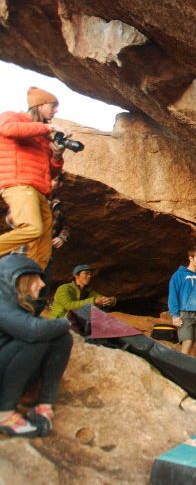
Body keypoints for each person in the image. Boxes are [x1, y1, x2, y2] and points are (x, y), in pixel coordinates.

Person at [0, 253, 73, 437]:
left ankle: (44, 405)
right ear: (20, 280)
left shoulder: (15, 302)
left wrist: (60, 329)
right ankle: (4, 414)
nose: (42, 284)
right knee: (34, 342)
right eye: (36, 278)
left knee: (63, 339)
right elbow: (33, 331)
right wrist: (65, 323)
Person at [0, 87, 66, 270]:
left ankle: (31, 291)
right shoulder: (12, 117)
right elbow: (7, 129)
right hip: (19, 184)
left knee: (43, 249)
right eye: (53, 106)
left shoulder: (43, 137)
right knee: (31, 228)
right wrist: (48, 127)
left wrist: (57, 156)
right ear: (40, 105)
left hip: (40, 191)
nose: (56, 111)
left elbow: (51, 173)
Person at [168, 247, 196, 355]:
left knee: (195, 344)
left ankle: (190, 368)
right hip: (185, 314)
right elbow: (173, 295)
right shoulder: (178, 275)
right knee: (187, 342)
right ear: (191, 258)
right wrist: (174, 315)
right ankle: (181, 369)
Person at [50, 264, 116, 319]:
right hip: (60, 319)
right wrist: (94, 301)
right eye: (86, 273)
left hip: (75, 319)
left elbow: (99, 297)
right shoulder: (64, 288)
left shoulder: (88, 290)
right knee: (90, 307)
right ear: (76, 276)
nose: (89, 276)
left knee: (101, 307)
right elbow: (69, 305)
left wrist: (110, 300)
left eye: (90, 274)